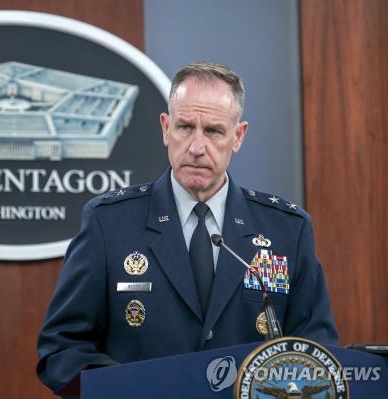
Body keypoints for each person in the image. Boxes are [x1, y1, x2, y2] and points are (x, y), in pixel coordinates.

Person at [36, 62, 338, 397]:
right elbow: (61, 350)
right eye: (185, 127)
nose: (196, 147)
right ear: (166, 128)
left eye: (213, 131)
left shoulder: (286, 230)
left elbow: (317, 354)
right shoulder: (109, 223)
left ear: (238, 136)